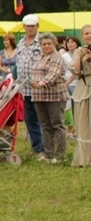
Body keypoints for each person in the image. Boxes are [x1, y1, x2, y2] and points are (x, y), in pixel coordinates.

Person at [30, 32, 70, 163]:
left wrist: (40, 84)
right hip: (39, 96)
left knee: (57, 125)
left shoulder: (57, 57)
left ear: (54, 44)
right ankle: (48, 153)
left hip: (55, 96)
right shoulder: (39, 57)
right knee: (45, 126)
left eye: (49, 44)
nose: (46, 46)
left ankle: (59, 155)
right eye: (44, 44)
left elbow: (53, 74)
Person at [14, 14, 44, 156]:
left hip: (38, 87)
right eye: (28, 26)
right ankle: (37, 147)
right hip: (24, 88)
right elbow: (17, 63)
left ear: (38, 26)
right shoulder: (20, 43)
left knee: (42, 119)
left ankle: (45, 148)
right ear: (24, 27)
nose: (30, 29)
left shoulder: (43, 41)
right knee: (30, 120)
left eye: (33, 26)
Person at [70, 25, 91, 167]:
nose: (89, 35)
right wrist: (82, 56)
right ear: (82, 36)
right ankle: (85, 159)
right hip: (85, 85)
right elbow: (75, 72)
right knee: (83, 123)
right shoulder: (78, 51)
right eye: (86, 33)